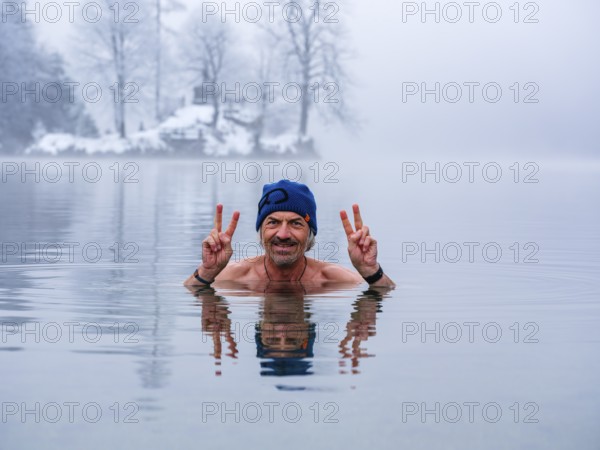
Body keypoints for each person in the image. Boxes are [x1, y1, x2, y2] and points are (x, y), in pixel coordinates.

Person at [183, 179, 395, 287]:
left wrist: (370, 271)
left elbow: (384, 293)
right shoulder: (231, 277)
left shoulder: (334, 280)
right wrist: (207, 272)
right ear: (260, 231)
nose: (283, 234)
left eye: (295, 223)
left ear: (310, 234)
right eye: (273, 222)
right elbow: (189, 292)